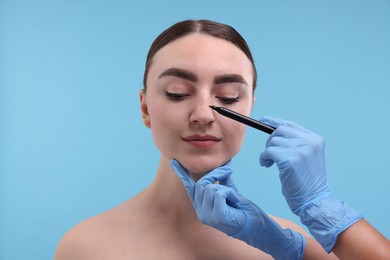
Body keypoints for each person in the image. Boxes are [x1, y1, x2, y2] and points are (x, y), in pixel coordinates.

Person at [55, 19, 339, 259]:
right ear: (145, 109)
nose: (203, 115)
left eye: (228, 97)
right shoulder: (84, 246)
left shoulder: (293, 247)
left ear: (249, 105)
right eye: (177, 93)